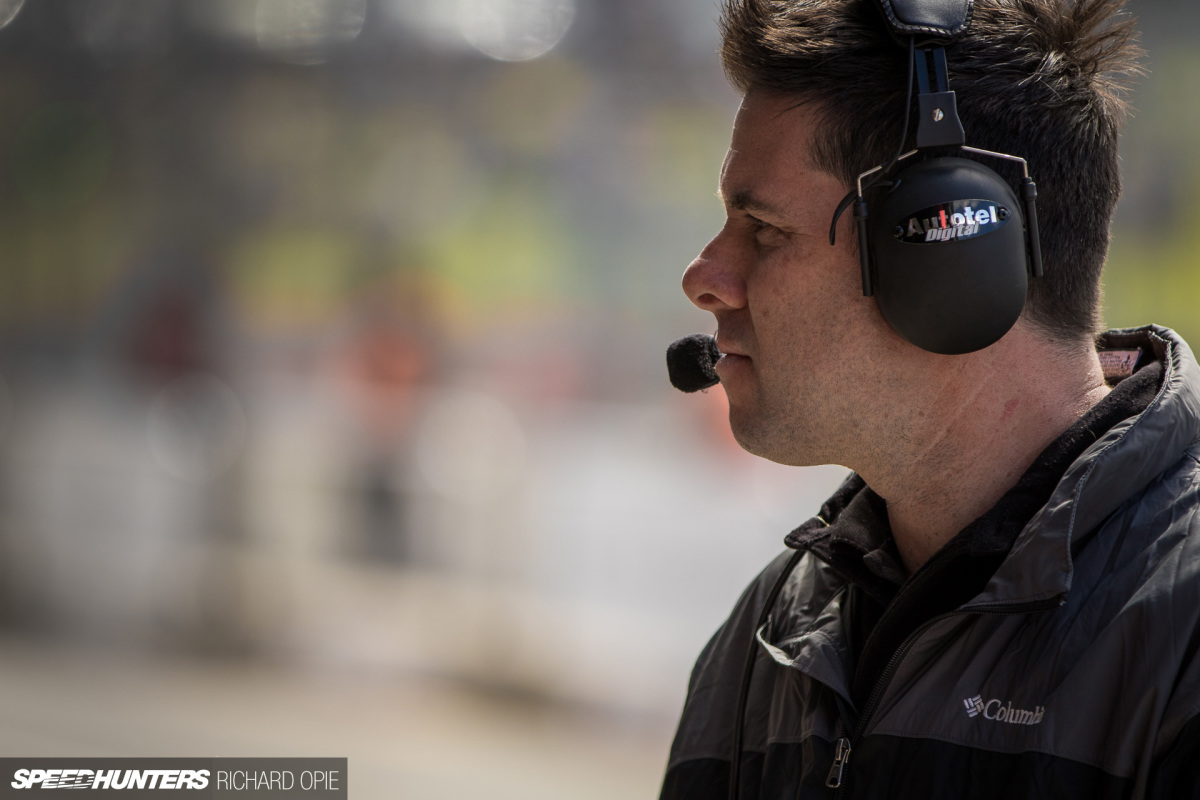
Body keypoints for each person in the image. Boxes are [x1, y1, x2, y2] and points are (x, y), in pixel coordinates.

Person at [659, 0, 1200, 798]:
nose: (704, 277)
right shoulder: (769, 633)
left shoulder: (1183, 636)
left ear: (951, 256)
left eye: (763, 227)